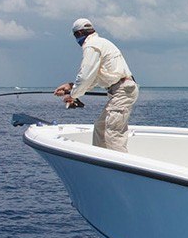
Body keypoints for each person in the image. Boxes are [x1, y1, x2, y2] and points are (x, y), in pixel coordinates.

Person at [53, 18, 138, 152]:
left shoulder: (91, 46)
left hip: (122, 90)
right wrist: (71, 87)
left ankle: (118, 167)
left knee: (113, 133)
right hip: (122, 89)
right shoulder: (101, 43)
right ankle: (100, 159)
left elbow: (85, 75)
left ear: (79, 33)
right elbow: (94, 77)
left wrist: (73, 95)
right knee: (101, 127)